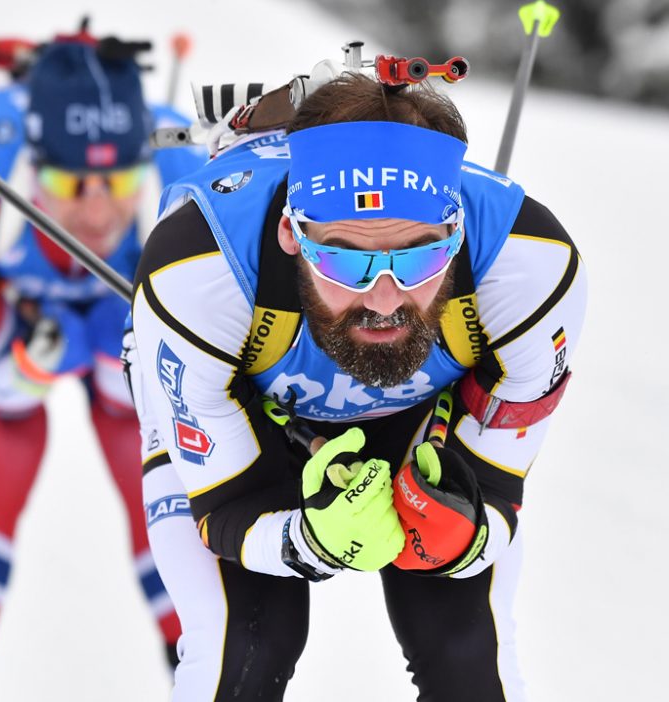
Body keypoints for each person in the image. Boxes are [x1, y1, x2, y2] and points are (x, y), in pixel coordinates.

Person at [125, 69, 586, 701]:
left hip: (427, 414)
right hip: (248, 406)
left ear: (455, 235)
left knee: (466, 649)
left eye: (420, 256)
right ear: (293, 234)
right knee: (244, 646)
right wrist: (305, 540)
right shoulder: (199, 271)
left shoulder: (530, 265)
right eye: (345, 258)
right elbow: (226, 508)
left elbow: (500, 491)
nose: (384, 297)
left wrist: (469, 535)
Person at [0, 30, 204, 699]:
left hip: (125, 298)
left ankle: (200, 658)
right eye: (72, 183)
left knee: (148, 454)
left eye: (120, 180)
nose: (98, 208)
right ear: (36, 167)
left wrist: (116, 359)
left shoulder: (188, 174)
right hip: (0, 289)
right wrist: (32, 362)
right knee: (6, 449)